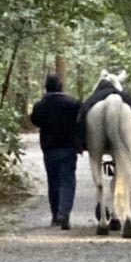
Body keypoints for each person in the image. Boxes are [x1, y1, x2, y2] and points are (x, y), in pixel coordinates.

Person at [30, 74, 81, 230]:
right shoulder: (73, 104)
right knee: (68, 181)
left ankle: (55, 216)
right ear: (61, 86)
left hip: (49, 149)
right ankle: (64, 213)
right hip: (68, 148)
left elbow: (34, 120)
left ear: (46, 87)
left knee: (53, 182)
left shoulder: (40, 105)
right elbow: (81, 121)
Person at [76, 78, 131, 158]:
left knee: (84, 113)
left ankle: (81, 142)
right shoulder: (126, 98)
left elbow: (83, 112)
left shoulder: (94, 98)